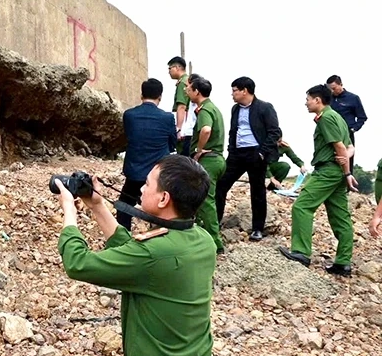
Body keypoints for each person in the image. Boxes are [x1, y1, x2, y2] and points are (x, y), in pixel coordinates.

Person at [56, 155, 218, 356]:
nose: (141, 187)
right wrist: (98, 205)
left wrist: (69, 214)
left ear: (163, 199)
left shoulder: (154, 254)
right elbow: (138, 256)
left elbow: (78, 263)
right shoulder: (202, 242)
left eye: (147, 183)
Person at [278, 85, 358, 277]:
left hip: (328, 171)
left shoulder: (327, 118)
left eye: (308, 99)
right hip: (336, 172)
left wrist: (347, 173)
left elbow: (339, 147)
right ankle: (343, 263)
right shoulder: (338, 117)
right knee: (340, 217)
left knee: (302, 206)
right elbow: (350, 147)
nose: (306, 102)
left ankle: (301, 252)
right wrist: (344, 168)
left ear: (318, 100)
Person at [214, 77, 281, 242]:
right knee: (221, 185)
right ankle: (215, 222)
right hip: (237, 154)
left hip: (256, 153)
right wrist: (230, 150)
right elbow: (233, 131)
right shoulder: (235, 109)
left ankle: (257, 228)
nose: (232, 94)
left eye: (235, 90)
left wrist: (262, 153)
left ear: (245, 90)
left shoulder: (265, 107)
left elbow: (275, 132)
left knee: (257, 191)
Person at [118, 78, 178, 230]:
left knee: (124, 207)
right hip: (157, 174)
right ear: (160, 96)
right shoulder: (167, 117)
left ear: (141, 95)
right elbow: (172, 143)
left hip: (134, 172)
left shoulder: (129, 115)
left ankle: (123, 240)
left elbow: (129, 136)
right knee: (162, 208)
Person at [187, 76, 226, 254]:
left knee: (206, 200)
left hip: (209, 159)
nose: (186, 90)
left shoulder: (204, 110)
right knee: (203, 199)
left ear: (197, 91)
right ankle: (203, 235)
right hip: (217, 158)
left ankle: (215, 243)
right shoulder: (213, 108)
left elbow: (206, 129)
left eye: (189, 88)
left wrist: (199, 150)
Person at [326, 75, 367, 157]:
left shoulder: (353, 98)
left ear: (341, 84)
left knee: (346, 159)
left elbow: (362, 117)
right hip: (330, 134)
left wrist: (353, 129)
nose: (332, 91)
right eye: (330, 89)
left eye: (334, 88)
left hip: (347, 134)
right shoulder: (328, 99)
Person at [167, 57, 191, 155]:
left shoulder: (182, 83)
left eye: (170, 68)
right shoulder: (188, 80)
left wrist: (179, 129)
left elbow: (181, 106)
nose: (168, 72)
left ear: (177, 68)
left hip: (185, 124)